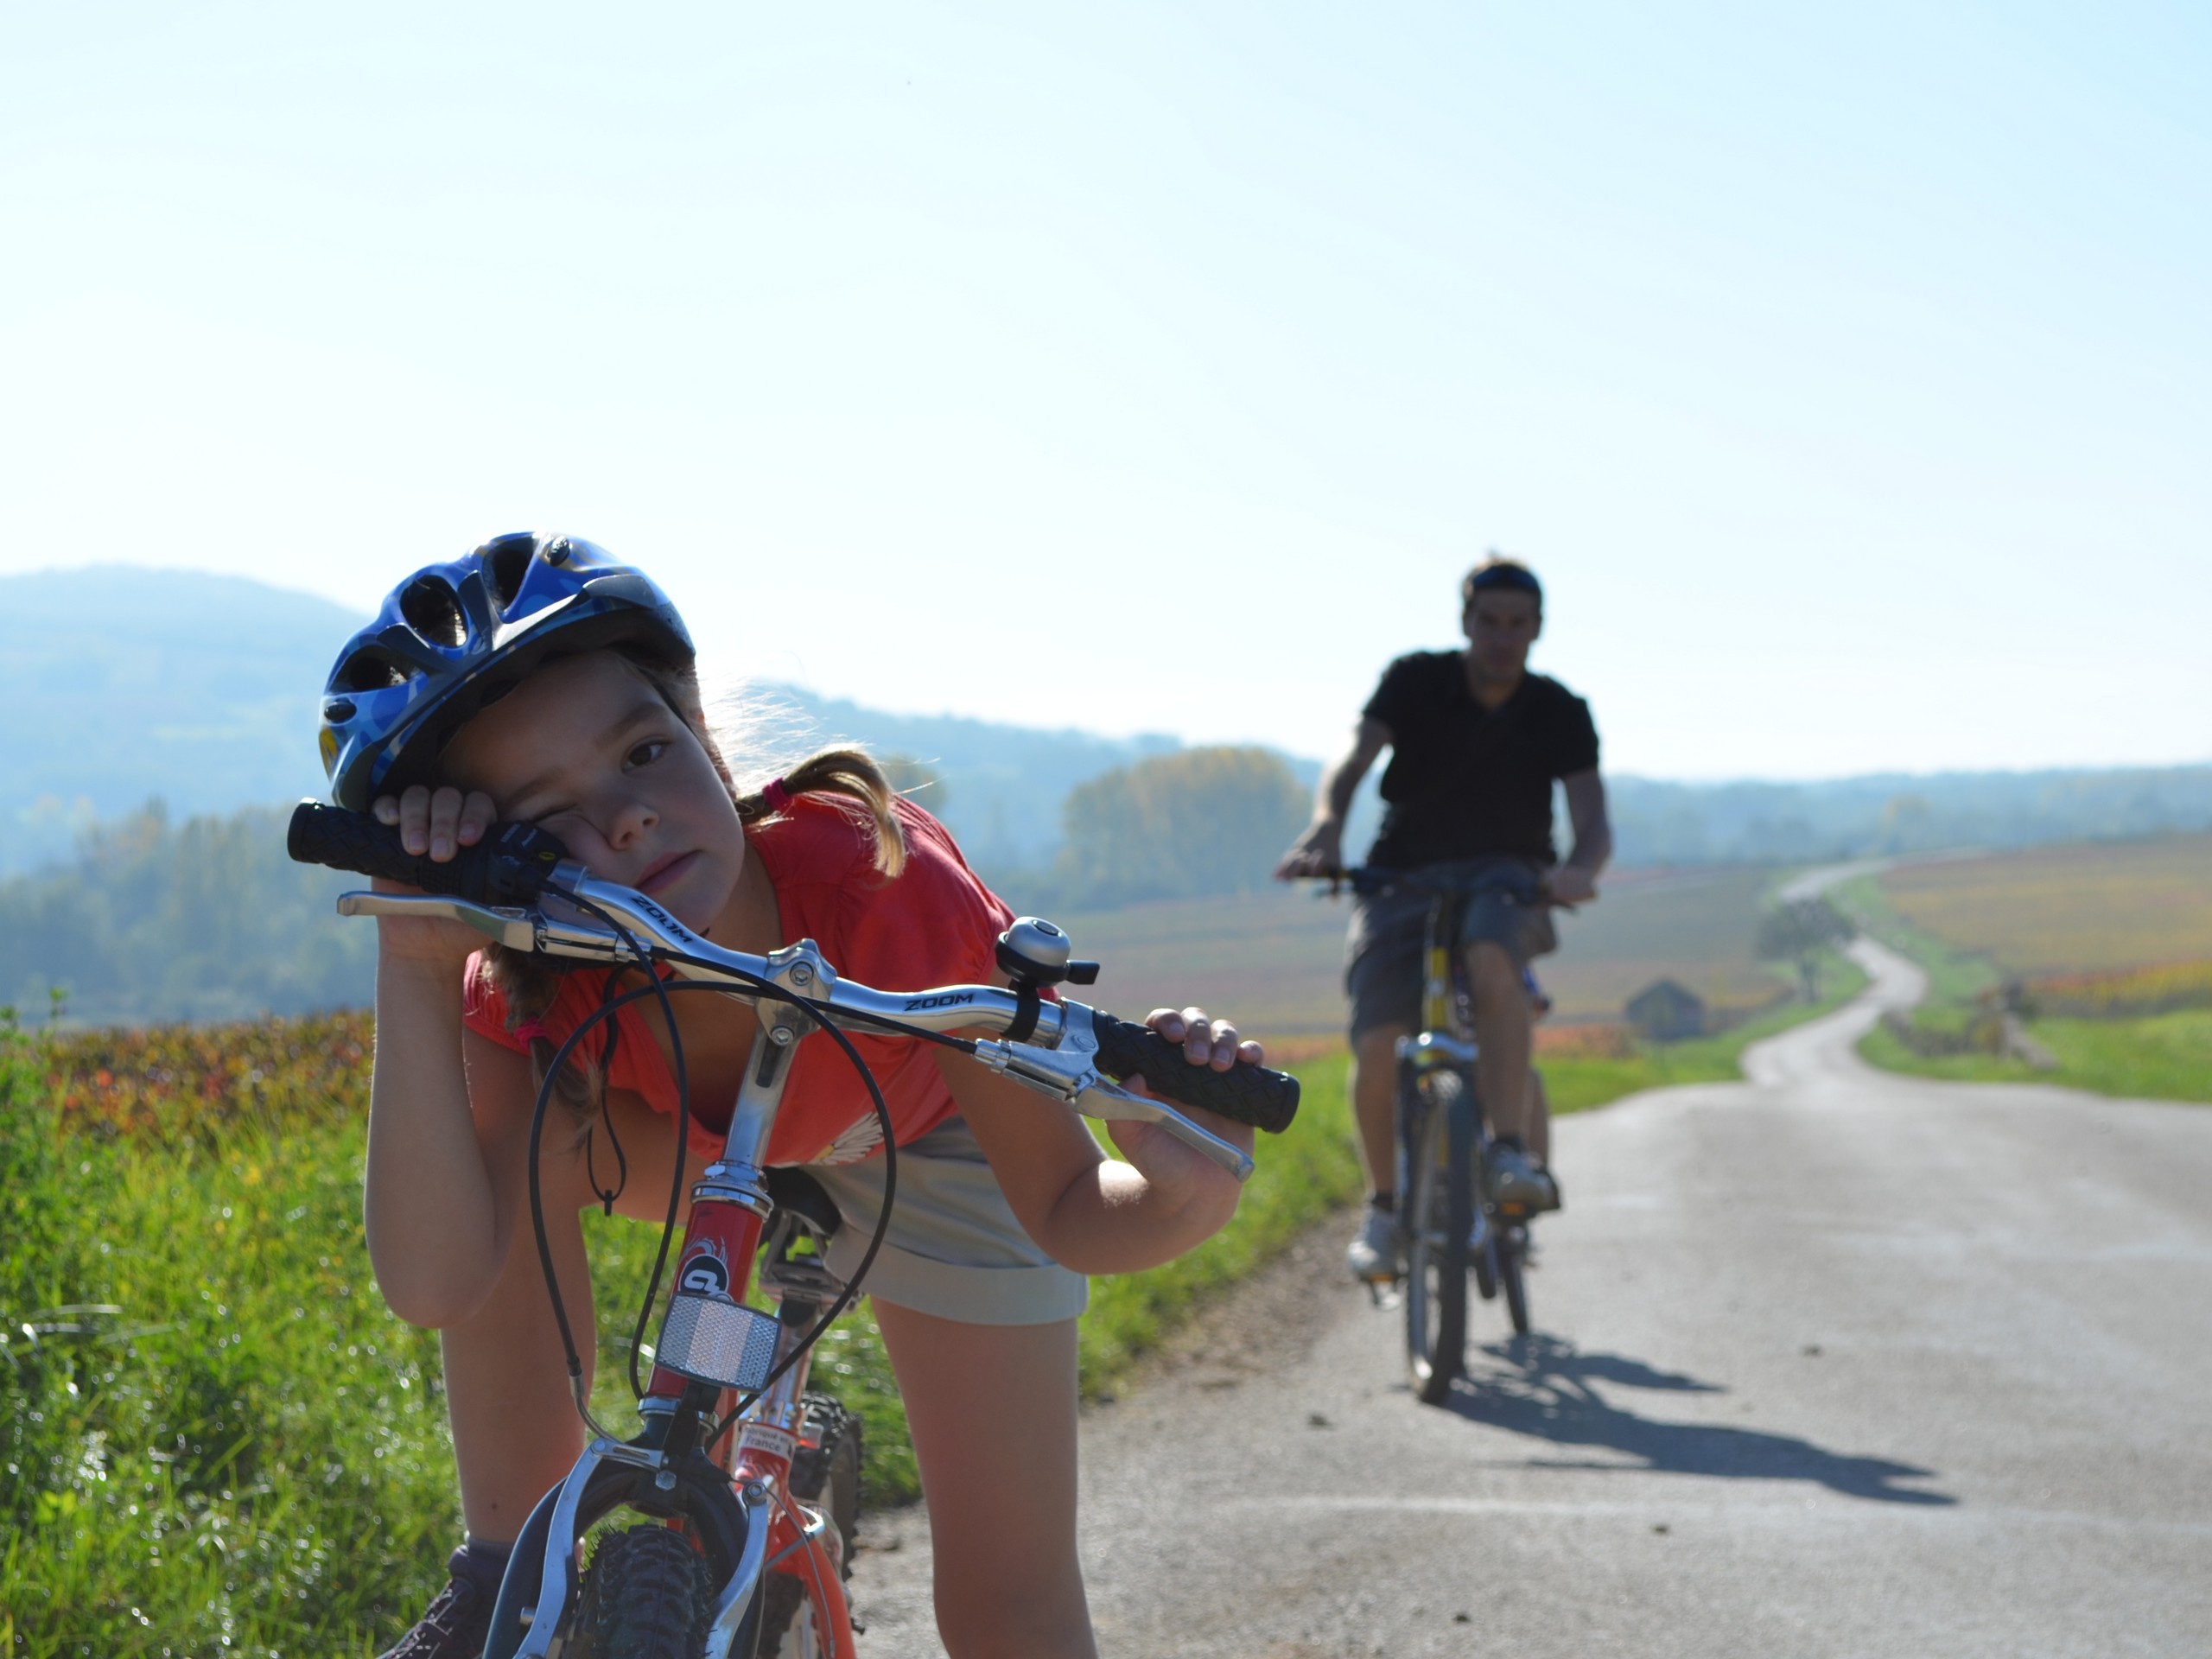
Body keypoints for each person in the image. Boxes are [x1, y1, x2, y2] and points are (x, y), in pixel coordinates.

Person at [323, 533, 1267, 1659]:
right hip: (692, 1146)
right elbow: (436, 1279)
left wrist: (1190, 1195)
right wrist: (420, 959)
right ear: (491, 866)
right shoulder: (533, 980)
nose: (624, 820)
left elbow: (1067, 1208)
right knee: (509, 1173)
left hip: (926, 1134)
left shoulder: (883, 884)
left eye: (641, 753)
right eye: (544, 817)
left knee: (1010, 1604)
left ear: (703, 735)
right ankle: (511, 1574)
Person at [1274, 556, 1610, 1280]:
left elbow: (1593, 821)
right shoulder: (1416, 680)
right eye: (1488, 622)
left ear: (1538, 630)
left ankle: (1511, 1153)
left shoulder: (1560, 711)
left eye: (1517, 624)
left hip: (1509, 877)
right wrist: (1329, 825)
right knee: (1379, 1043)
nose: (1501, 638)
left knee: (1492, 956)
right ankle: (1386, 1208)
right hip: (1402, 876)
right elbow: (1354, 758)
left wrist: (1580, 871)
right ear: (1466, 623)